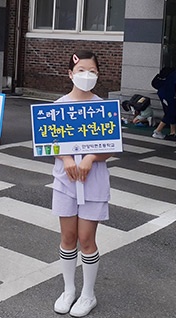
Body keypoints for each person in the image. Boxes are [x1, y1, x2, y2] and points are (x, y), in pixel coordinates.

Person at [51, 50, 112, 318]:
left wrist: (90, 158)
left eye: (92, 71)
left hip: (93, 180)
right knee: (68, 237)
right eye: (81, 70)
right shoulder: (58, 105)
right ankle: (68, 289)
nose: (86, 75)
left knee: (87, 239)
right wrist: (65, 157)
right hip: (65, 181)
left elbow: (111, 146)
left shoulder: (102, 107)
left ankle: (88, 294)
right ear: (70, 73)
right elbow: (47, 142)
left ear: (98, 75)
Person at [152, 67, 176, 142]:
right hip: (165, 95)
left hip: (169, 95)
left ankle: (173, 132)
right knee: (170, 112)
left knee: (173, 111)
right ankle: (157, 131)